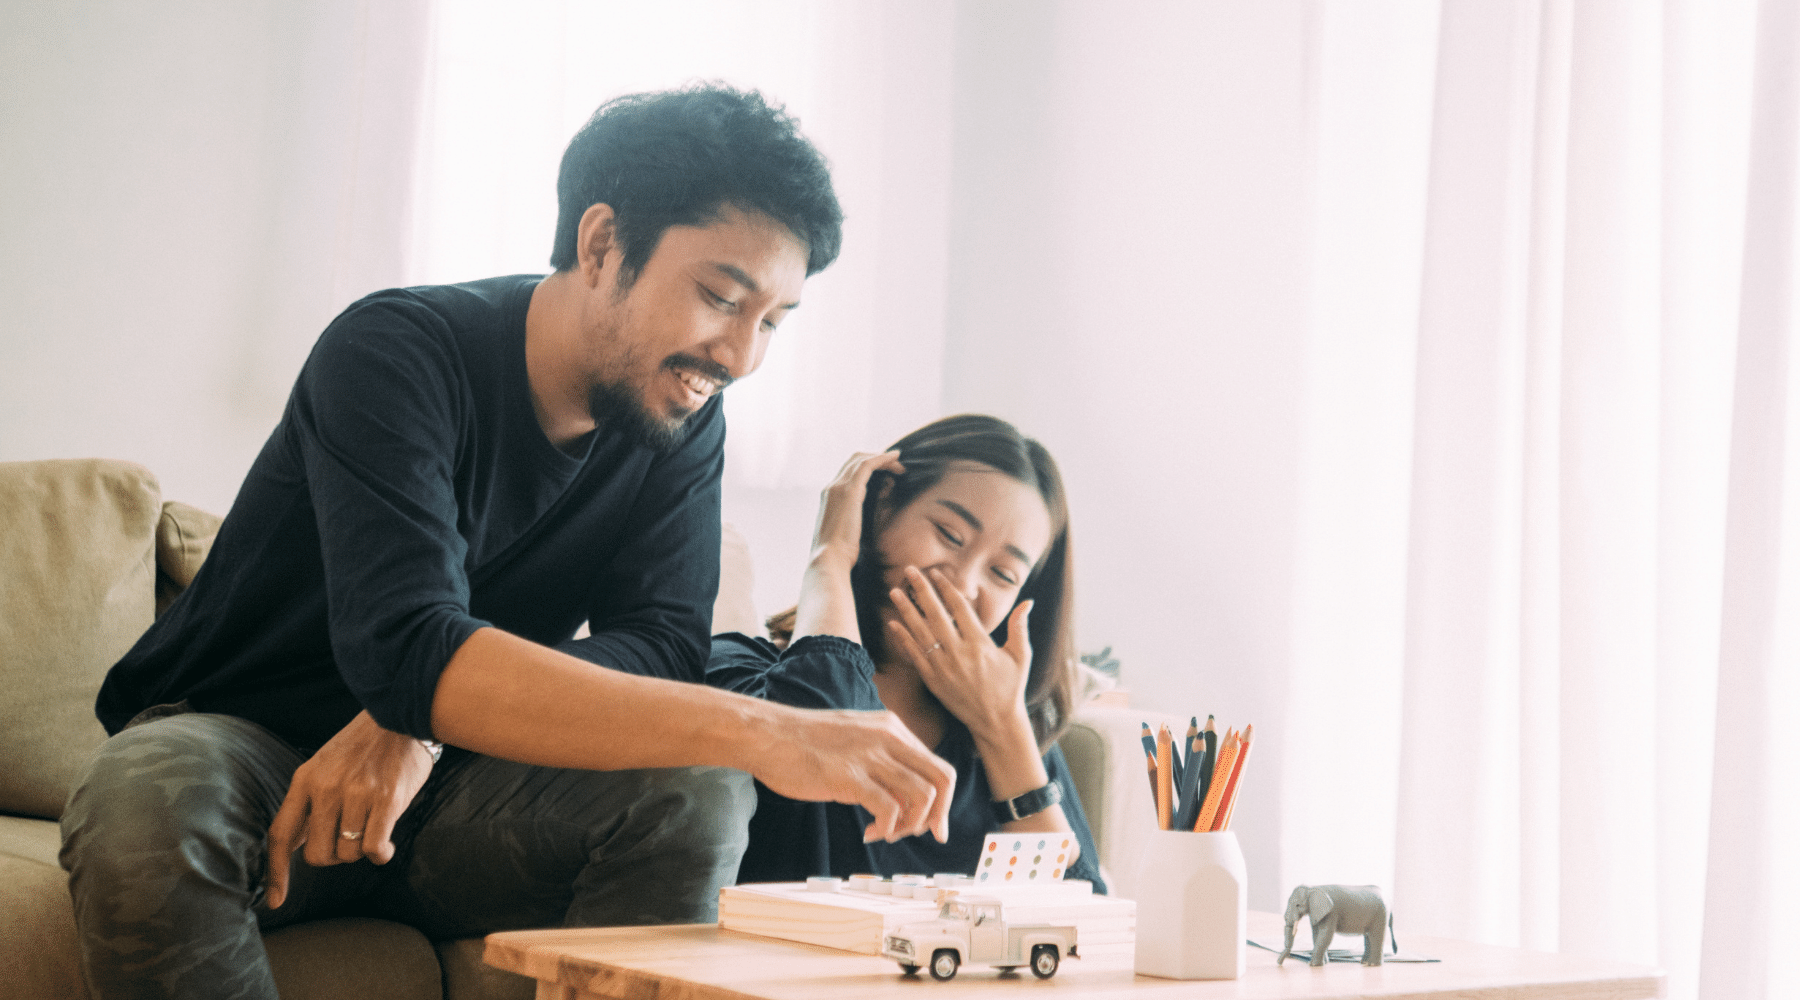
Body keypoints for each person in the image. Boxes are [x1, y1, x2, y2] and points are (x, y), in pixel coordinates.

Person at [59, 85, 957, 1000]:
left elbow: (663, 647)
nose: (740, 356)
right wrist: (768, 729)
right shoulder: (394, 352)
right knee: (148, 796)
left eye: (772, 321)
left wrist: (421, 724)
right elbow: (407, 643)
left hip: (457, 800)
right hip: (251, 762)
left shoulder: (681, 419)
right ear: (602, 243)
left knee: (696, 791)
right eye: (722, 298)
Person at [708, 414, 1106, 891]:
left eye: (1002, 575)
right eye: (950, 535)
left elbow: (1079, 924)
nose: (962, 582)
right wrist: (830, 555)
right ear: (879, 509)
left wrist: (1004, 732)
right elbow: (819, 732)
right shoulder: (741, 672)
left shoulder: (1007, 734)